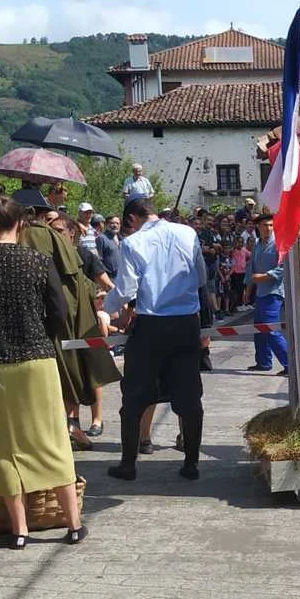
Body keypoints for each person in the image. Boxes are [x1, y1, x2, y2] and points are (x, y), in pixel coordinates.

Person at [0, 191, 86, 548]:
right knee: (51, 438)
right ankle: (73, 524)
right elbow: (59, 311)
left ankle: (19, 531)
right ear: (19, 223)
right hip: (36, 360)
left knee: (3, 445)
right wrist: (42, 336)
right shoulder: (37, 260)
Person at [104, 194, 206, 481]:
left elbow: (126, 289)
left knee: (134, 397)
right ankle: (191, 464)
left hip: (151, 326)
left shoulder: (132, 243)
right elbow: (200, 277)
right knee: (190, 397)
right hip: (186, 324)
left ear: (132, 218)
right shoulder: (187, 233)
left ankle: (128, 464)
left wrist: (106, 309)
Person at [20, 204, 121, 451]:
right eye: (47, 225)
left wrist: (111, 303)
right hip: (52, 330)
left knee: (80, 373)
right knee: (64, 377)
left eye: (57, 229)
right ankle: (68, 426)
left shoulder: (82, 256)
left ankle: (86, 422)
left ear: (70, 233)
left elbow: (97, 285)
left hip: (75, 328)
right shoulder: (38, 251)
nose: (51, 233)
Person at [244, 213, 289, 375]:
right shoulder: (257, 243)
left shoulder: (279, 243)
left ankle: (290, 364)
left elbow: (283, 266)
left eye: (271, 225)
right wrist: (248, 289)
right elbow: (251, 267)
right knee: (259, 329)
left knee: (270, 329)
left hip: (274, 291)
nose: (269, 228)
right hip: (260, 292)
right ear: (258, 227)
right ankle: (263, 362)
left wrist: (266, 276)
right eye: (265, 225)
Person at [96, 215, 122, 279]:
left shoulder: (122, 239)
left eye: (117, 223)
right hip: (110, 277)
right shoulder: (101, 238)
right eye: (112, 223)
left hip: (122, 276)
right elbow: (99, 260)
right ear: (106, 225)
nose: (115, 225)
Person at [231, 238, 251, 311]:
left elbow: (251, 255)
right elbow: (230, 251)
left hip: (243, 272)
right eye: (239, 242)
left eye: (242, 242)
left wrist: (247, 263)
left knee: (243, 289)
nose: (240, 244)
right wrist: (234, 246)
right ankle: (238, 305)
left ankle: (243, 303)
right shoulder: (234, 250)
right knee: (238, 289)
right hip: (236, 272)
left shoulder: (244, 250)